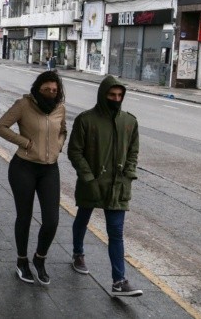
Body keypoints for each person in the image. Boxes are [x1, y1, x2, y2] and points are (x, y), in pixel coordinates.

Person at [68, 75, 142, 297]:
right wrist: (88, 177)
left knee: (116, 231)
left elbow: (133, 151)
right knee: (83, 217)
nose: (116, 99)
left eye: (119, 95)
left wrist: (128, 174)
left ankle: (119, 281)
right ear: (103, 95)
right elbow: (75, 151)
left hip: (117, 185)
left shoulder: (129, 121)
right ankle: (78, 253)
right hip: (92, 183)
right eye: (112, 95)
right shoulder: (86, 120)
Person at [0, 71, 67, 285]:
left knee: (52, 220)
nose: (51, 93)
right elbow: (0, 127)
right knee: (24, 217)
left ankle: (40, 258)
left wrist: (59, 145)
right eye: (46, 90)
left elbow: (63, 130)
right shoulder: (23, 105)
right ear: (38, 89)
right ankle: (22, 261)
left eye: (54, 90)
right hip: (23, 167)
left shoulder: (60, 108)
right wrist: (25, 143)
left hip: (49, 169)